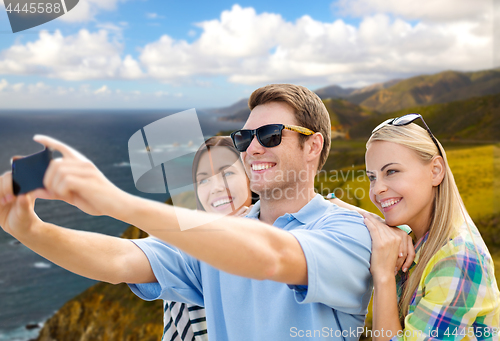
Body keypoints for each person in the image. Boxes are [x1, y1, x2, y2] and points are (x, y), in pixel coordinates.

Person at [0, 84, 377, 340]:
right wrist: (30, 229)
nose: (252, 149)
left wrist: (114, 201)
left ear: (313, 147)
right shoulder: (213, 239)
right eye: (244, 138)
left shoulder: (348, 230)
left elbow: (272, 258)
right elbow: (118, 260)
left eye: (270, 135)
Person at [362, 114, 500, 340]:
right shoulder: (419, 239)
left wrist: (384, 275)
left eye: (392, 171)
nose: (377, 189)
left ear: (435, 171)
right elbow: (330, 204)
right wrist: (373, 220)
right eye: (372, 177)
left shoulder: (459, 259)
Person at [164, 136, 255, 341]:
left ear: (250, 177)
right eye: (203, 179)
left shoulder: (289, 237)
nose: (216, 187)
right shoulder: (189, 260)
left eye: (228, 173)